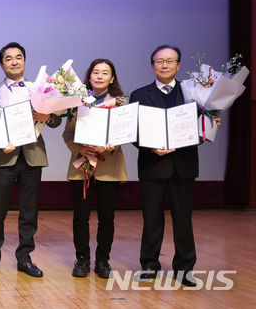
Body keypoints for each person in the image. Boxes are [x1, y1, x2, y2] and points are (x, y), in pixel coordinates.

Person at [130, 45, 218, 287]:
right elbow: (133, 130)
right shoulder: (139, 94)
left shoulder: (194, 93)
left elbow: (201, 129)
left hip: (184, 163)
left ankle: (185, 268)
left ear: (178, 65)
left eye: (170, 61)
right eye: (160, 61)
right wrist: (149, 147)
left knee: (183, 218)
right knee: (152, 218)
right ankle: (149, 266)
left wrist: (210, 124)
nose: (165, 65)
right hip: (152, 163)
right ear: (152, 65)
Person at [0, 42, 62, 278]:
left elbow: (56, 121)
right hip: (4, 157)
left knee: (29, 212)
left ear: (24, 61)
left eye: (18, 57)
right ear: (1, 63)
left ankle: (24, 259)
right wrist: (0, 143)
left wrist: (47, 116)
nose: (14, 62)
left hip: (32, 156)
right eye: (9, 58)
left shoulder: (38, 89)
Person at [62, 58, 127, 279]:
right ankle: (82, 258)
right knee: (80, 217)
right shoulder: (78, 102)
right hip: (82, 167)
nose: (99, 76)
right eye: (95, 72)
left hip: (109, 166)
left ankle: (103, 261)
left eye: (105, 72)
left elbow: (123, 133)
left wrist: (109, 145)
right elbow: (68, 134)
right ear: (89, 76)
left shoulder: (120, 104)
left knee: (106, 217)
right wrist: (82, 150)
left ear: (112, 78)